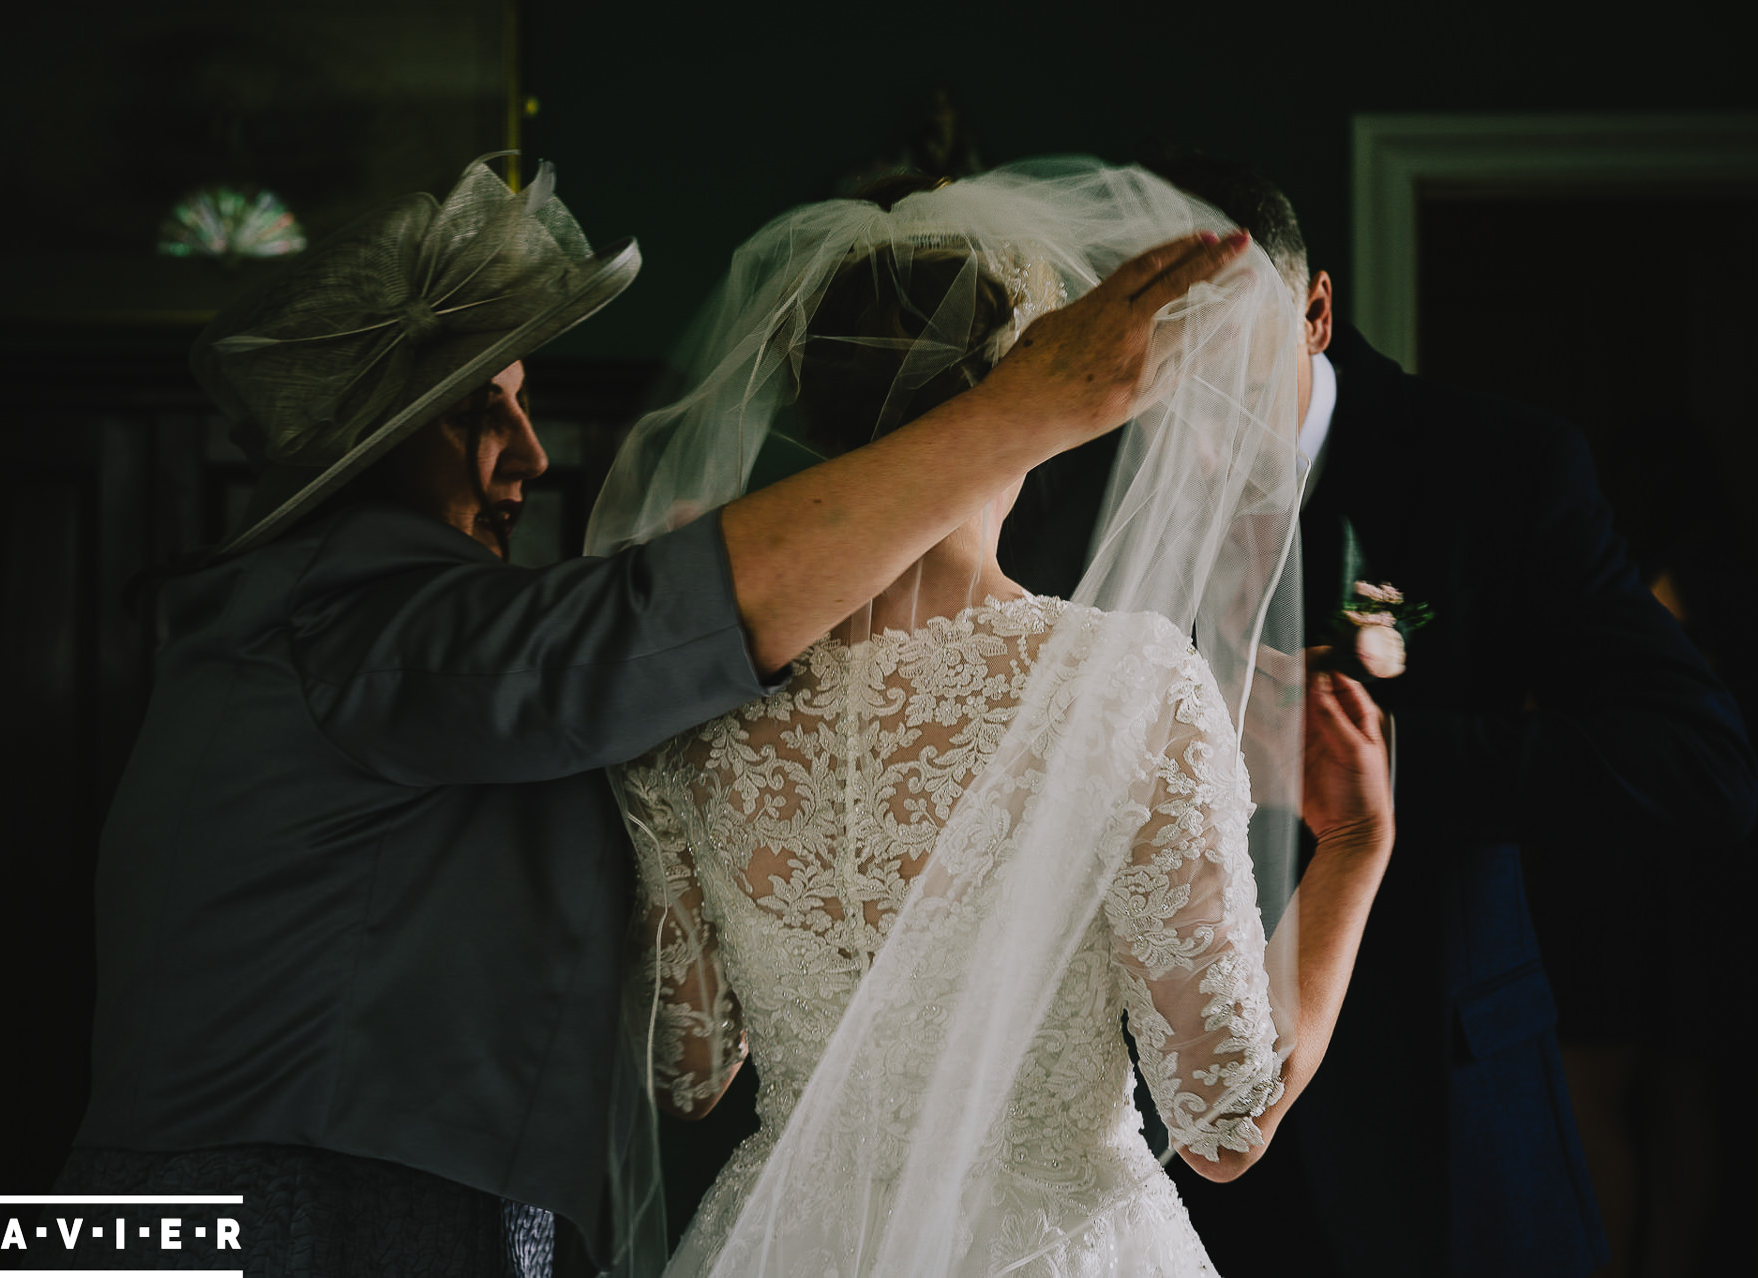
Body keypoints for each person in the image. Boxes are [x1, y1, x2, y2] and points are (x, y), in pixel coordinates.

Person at [50, 154, 1246, 1277]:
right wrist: (1018, 411)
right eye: (486, 411)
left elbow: (690, 1061)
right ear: (380, 435)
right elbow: (644, 629)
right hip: (282, 1203)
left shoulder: (341, 620)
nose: (527, 455)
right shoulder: (350, 621)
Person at [590, 161, 1399, 1276]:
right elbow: (1222, 1125)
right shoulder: (1123, 684)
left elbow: (689, 1073)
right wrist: (1356, 847)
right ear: (1039, 383)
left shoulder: (690, 700)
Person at [1002, 153, 1758, 1278]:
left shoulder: (1499, 469)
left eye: (1231, 370)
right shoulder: (1062, 490)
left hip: (1441, 1119)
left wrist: (1386, 759)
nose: (1200, 436)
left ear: (1313, 313)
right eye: (1168, 375)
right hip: (1168, 1136)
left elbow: (1700, 767)